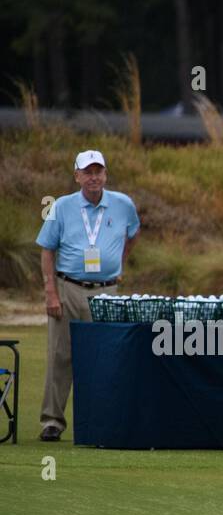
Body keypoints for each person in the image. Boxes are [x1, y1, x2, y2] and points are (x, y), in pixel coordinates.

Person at [35, 149, 140, 441]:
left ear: (105, 174)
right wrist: (50, 292)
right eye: (88, 172)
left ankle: (101, 421)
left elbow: (133, 234)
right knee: (61, 355)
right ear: (77, 175)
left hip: (107, 291)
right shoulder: (61, 206)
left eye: (99, 172)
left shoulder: (122, 204)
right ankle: (52, 421)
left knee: (105, 357)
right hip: (68, 287)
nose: (94, 177)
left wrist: (120, 264)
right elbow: (47, 250)